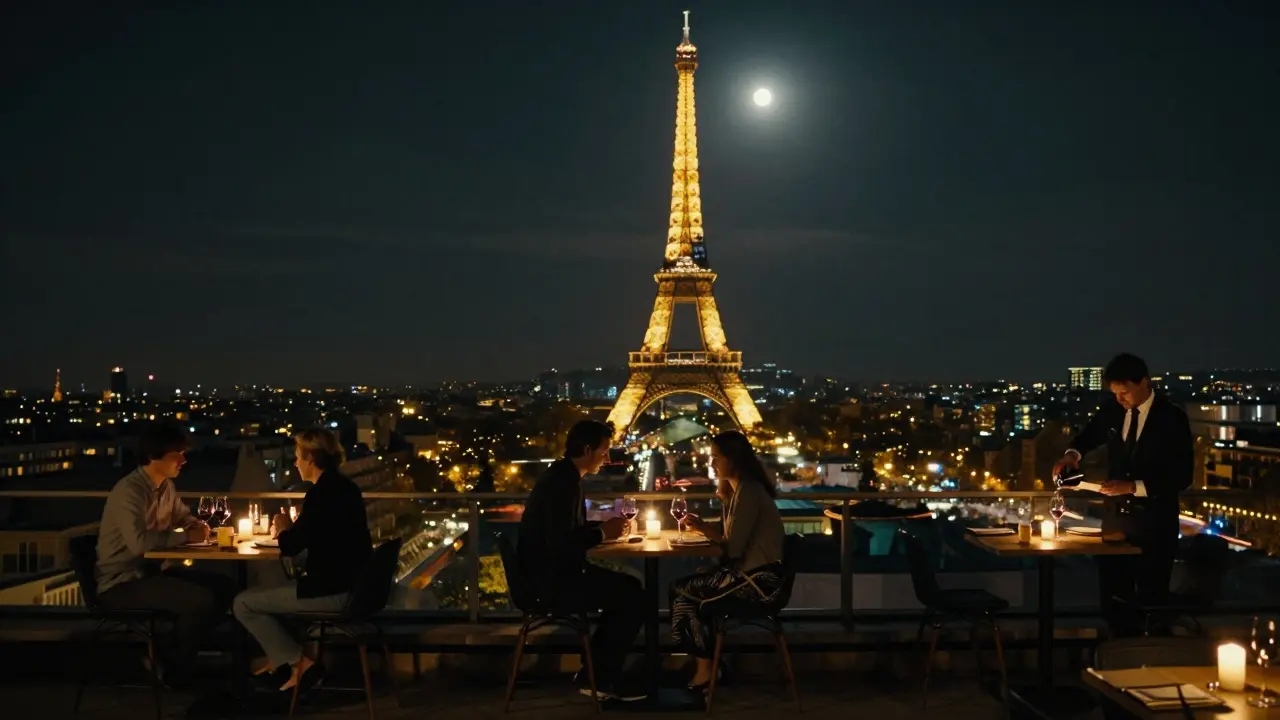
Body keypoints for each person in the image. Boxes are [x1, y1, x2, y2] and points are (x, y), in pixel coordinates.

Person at [1053, 353, 1193, 637]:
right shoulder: (1113, 411)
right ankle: (1117, 656)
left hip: (1155, 524)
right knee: (1114, 598)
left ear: (1145, 382)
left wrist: (1133, 487)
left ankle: (1149, 664)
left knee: (1150, 599)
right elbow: (1087, 437)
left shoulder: (1172, 418)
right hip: (1116, 521)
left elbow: (1182, 476)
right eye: (1115, 393)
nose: (1120, 399)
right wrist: (1071, 455)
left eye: (1124, 392)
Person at [95, 422, 237, 687]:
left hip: (152, 573)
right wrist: (186, 535)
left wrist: (195, 525)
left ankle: (165, 656)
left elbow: (182, 516)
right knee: (201, 601)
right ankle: (174, 670)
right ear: (153, 455)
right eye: (177, 454)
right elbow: (139, 543)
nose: (184, 460)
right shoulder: (130, 491)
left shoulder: (164, 488)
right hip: (122, 582)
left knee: (226, 587)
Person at [232, 428, 372, 691]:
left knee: (243, 603)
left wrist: (284, 526)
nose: (295, 463)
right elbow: (323, 539)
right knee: (273, 592)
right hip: (357, 589)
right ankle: (284, 663)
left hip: (334, 592)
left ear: (311, 458)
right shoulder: (345, 488)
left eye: (298, 457)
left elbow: (291, 545)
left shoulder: (321, 494)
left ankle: (298, 664)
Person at [517, 420, 646, 702]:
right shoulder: (565, 483)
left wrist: (601, 529)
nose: (608, 458)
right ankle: (599, 677)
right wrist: (601, 532)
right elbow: (561, 543)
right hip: (551, 582)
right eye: (604, 451)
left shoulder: (563, 476)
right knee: (631, 594)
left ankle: (596, 672)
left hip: (546, 575)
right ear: (588, 449)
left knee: (627, 589)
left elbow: (564, 532)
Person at [673, 431, 786, 692]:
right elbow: (733, 542)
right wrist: (704, 528)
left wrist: (705, 531)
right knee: (688, 587)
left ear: (733, 459)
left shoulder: (747, 492)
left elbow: (733, 548)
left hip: (759, 582)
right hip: (758, 575)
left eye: (716, 457)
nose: (712, 463)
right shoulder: (742, 489)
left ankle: (705, 671)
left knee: (683, 592)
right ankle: (709, 665)